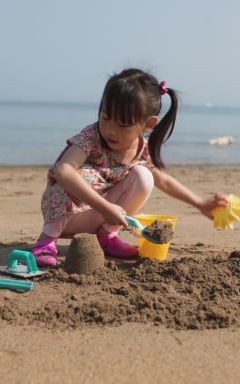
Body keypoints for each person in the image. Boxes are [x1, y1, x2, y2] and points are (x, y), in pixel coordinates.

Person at [33, 68, 228, 266]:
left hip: (99, 216)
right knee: (72, 175)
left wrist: (201, 204)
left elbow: (164, 181)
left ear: (148, 124)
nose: (110, 130)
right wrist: (106, 207)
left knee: (144, 176)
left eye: (123, 124)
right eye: (106, 117)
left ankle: (107, 236)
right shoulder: (91, 137)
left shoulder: (141, 148)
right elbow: (63, 171)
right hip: (65, 217)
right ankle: (46, 242)